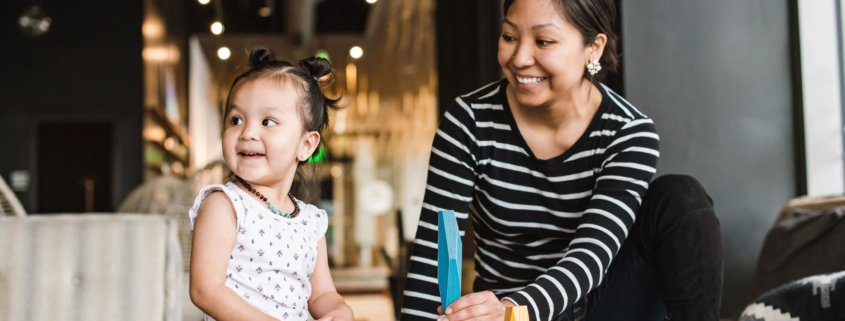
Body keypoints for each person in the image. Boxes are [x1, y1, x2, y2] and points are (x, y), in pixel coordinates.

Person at [400, 0, 723, 321]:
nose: (520, 59)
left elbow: (589, 257)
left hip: (593, 307)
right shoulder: (469, 121)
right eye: (509, 37)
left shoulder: (627, 132)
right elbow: (432, 260)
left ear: (593, 48)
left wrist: (515, 310)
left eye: (543, 41)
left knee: (680, 196)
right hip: (499, 314)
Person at [188, 47, 353, 321]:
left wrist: (338, 310)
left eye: (268, 121)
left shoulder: (310, 222)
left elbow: (322, 294)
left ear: (306, 145)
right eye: (236, 119)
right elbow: (206, 290)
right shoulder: (224, 205)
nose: (248, 132)